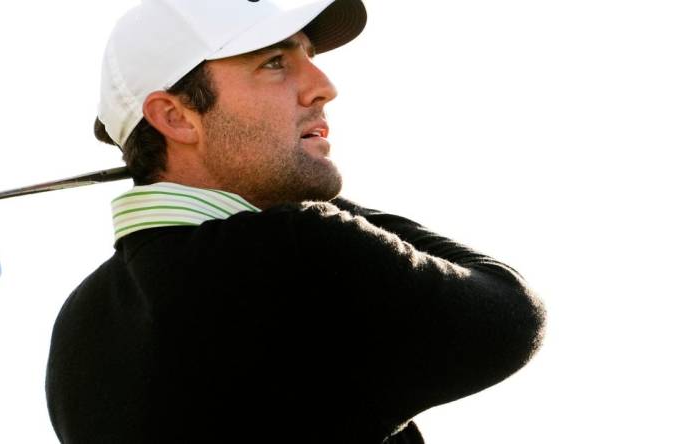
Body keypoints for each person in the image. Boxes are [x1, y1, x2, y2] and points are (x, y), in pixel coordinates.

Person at [45, 1, 546, 443]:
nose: (322, 87)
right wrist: (307, 201)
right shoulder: (301, 251)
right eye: (275, 63)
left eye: (309, 56)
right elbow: (512, 312)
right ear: (175, 118)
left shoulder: (81, 321)